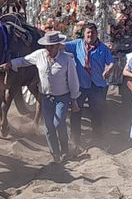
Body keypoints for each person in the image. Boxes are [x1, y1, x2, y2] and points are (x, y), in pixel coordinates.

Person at [8, 31, 80, 163]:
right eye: (47, 46)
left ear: (58, 46)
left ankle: (64, 150)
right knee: (48, 127)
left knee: (58, 124)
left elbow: (73, 80)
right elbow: (24, 60)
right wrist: (11, 63)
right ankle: (55, 154)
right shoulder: (39, 55)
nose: (49, 49)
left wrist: (74, 99)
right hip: (46, 97)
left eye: (51, 46)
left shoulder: (67, 60)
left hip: (62, 97)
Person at [66, 22, 114, 146]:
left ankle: (98, 140)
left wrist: (108, 69)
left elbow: (111, 62)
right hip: (81, 85)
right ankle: (75, 139)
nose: (90, 35)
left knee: (97, 112)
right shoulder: (76, 44)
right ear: (84, 34)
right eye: (88, 32)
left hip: (97, 85)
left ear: (97, 34)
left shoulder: (103, 48)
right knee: (76, 112)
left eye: (92, 33)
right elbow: (61, 47)